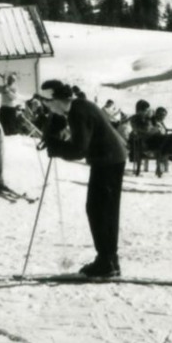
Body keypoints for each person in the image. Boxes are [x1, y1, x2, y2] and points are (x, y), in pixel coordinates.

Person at [36, 80, 129, 279]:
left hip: (109, 161)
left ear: (55, 100)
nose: (47, 108)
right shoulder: (76, 107)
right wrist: (55, 135)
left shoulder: (79, 112)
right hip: (107, 159)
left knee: (101, 210)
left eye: (47, 103)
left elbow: (79, 149)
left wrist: (56, 147)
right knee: (100, 209)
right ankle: (108, 260)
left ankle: (107, 262)